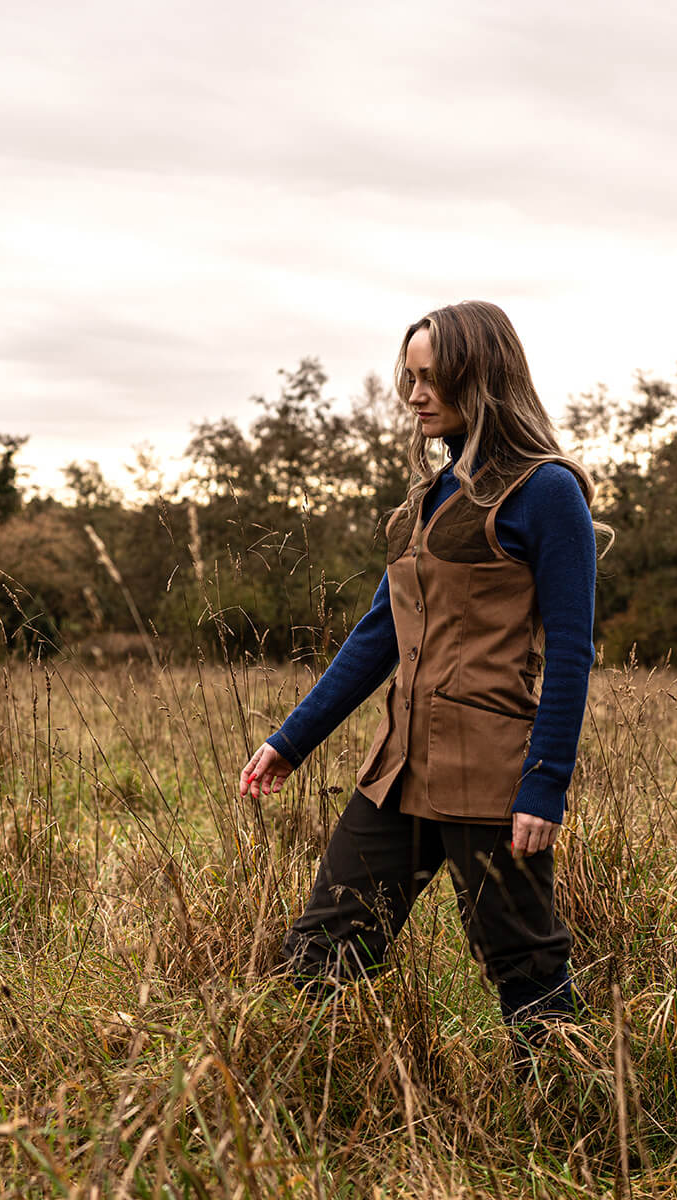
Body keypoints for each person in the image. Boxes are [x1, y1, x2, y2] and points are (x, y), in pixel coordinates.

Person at [239, 300, 603, 1044]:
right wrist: (290, 741)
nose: (415, 396)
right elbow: (377, 636)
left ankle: (580, 1118)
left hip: (491, 780)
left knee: (526, 970)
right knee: (324, 949)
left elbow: (573, 649)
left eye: (434, 378)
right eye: (409, 379)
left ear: (484, 375)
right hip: (397, 773)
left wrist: (545, 785)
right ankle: (308, 1098)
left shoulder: (547, 491)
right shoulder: (424, 501)